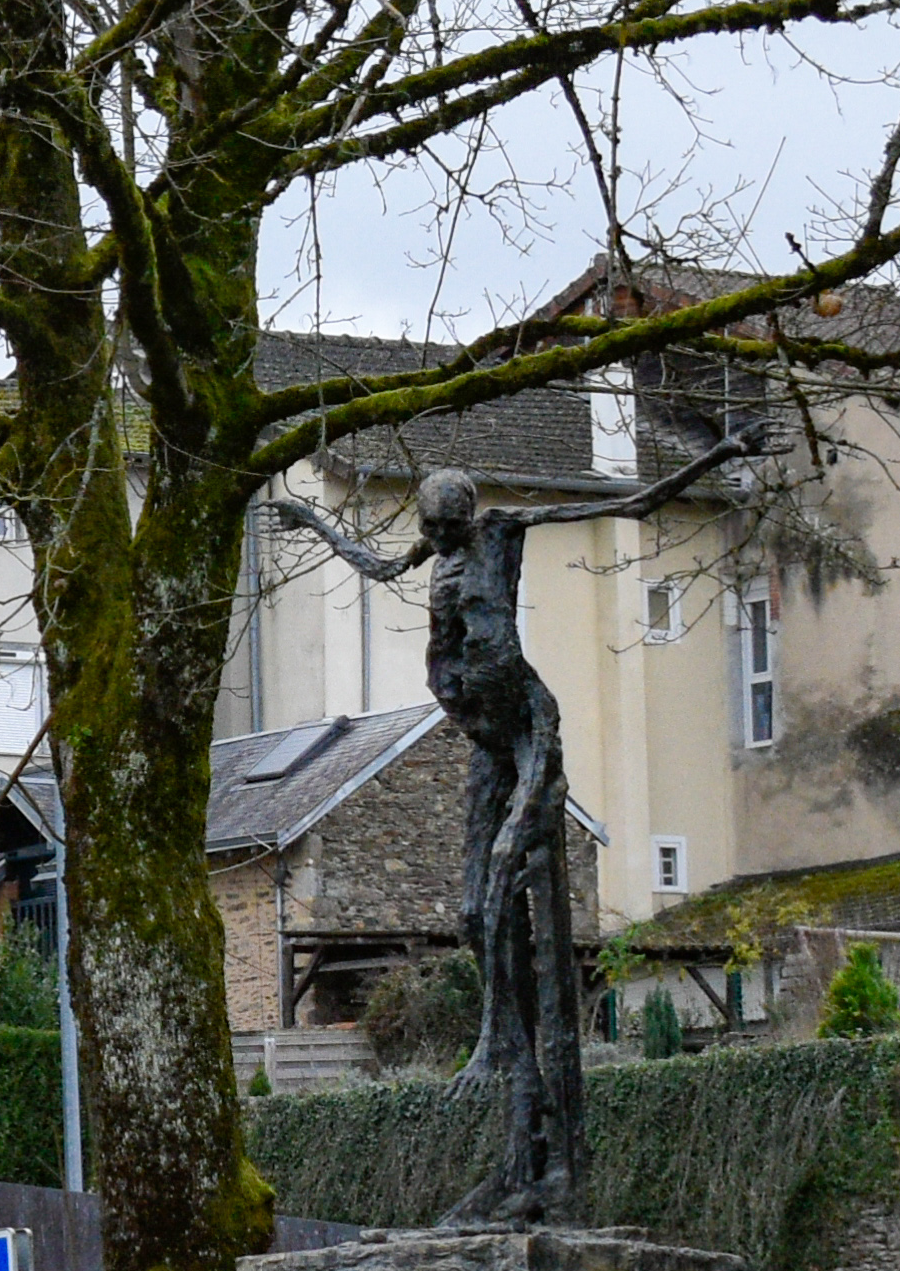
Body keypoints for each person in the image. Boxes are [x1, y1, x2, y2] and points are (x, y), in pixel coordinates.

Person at [273, 441, 743, 1224]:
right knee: (469, 912)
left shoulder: (500, 533)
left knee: (502, 880)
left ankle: (513, 1073)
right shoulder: (437, 550)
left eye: (448, 523)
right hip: (482, 741)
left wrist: (718, 455)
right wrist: (306, 516)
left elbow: (618, 504)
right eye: (434, 526)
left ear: (467, 514)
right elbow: (377, 565)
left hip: (527, 731)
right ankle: (519, 1147)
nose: (442, 536)